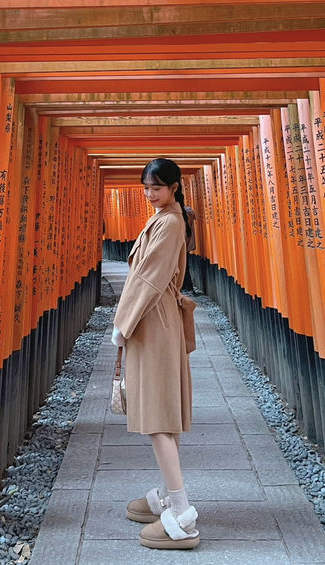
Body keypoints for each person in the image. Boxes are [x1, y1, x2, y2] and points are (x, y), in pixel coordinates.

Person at [111, 157, 199, 550]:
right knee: (160, 411)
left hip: (154, 321)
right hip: (156, 321)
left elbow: (147, 277)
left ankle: (181, 511)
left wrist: (122, 323)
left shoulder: (170, 222)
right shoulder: (168, 218)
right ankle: (167, 493)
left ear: (174, 187)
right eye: (146, 188)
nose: (150, 194)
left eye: (157, 188)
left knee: (158, 416)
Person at [180, 204, 197, 294]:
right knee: (185, 266)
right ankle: (187, 287)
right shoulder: (188, 213)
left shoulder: (182, 215)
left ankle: (186, 287)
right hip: (186, 245)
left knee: (182, 267)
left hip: (181, 245)